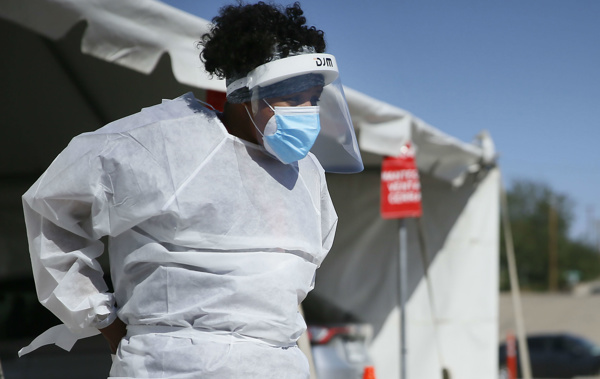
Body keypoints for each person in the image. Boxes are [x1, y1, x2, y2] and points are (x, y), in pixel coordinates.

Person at [19, 2, 362, 378]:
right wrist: (103, 321)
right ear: (245, 92)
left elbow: (291, 279)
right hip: (170, 367)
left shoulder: (306, 174)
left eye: (313, 100)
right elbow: (50, 207)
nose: (307, 113)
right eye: (292, 99)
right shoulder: (159, 143)